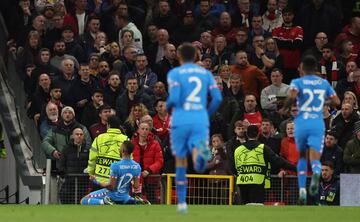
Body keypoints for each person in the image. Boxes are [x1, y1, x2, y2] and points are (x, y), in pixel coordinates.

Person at [166, 43, 222, 213]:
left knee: (181, 160)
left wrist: (169, 108)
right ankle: (200, 157)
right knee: (198, 154)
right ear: (196, 56)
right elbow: (218, 98)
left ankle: (182, 203)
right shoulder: (205, 73)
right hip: (199, 119)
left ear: (179, 57)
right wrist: (206, 113)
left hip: (181, 119)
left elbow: (174, 98)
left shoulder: (175, 73)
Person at [281, 56, 340, 204]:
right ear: (315, 68)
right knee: (315, 156)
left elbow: (292, 97)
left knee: (301, 156)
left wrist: (285, 107)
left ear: (302, 68)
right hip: (317, 123)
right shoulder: (323, 83)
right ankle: (315, 171)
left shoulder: (298, 82)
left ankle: (302, 188)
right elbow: (337, 102)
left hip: (302, 122)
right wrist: (322, 101)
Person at [234, 125, 296, 205]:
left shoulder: (238, 150)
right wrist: (296, 168)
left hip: (242, 182)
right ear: (258, 134)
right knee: (257, 207)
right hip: (258, 182)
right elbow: (278, 161)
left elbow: (233, 167)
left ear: (246, 134)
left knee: (245, 206)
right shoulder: (263, 148)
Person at [81, 141, 150, 205]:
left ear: (122, 150)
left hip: (111, 195)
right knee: (127, 198)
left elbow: (111, 186)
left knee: (83, 200)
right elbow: (136, 186)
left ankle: (104, 201)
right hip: (124, 196)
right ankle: (134, 200)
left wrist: (95, 181)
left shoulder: (115, 165)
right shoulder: (137, 166)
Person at [87, 116, 128, 190]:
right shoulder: (126, 139)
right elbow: (129, 161)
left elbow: (92, 158)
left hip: (99, 181)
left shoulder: (99, 138)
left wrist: (91, 173)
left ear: (108, 125)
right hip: (117, 182)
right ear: (119, 126)